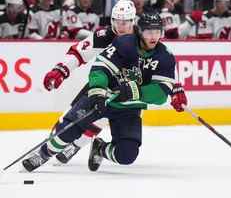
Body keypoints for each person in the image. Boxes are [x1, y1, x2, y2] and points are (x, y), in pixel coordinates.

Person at [21, 11, 186, 172]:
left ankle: (100, 149)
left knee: (127, 155)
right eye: (149, 32)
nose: (153, 37)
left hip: (129, 108)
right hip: (103, 97)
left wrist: (136, 91)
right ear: (140, 31)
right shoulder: (124, 43)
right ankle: (43, 154)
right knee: (68, 129)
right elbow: (100, 68)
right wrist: (98, 92)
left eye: (157, 32)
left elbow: (162, 92)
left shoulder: (165, 56)